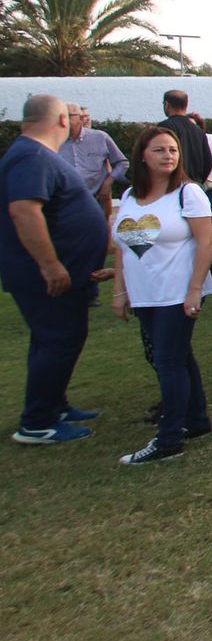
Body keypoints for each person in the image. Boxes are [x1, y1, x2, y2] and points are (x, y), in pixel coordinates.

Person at [109, 126, 212, 464]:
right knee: (177, 357)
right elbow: (122, 248)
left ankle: (169, 439)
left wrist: (195, 290)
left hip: (178, 291)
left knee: (168, 361)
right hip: (146, 294)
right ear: (142, 154)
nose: (168, 156)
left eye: (172, 150)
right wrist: (120, 290)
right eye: (159, 150)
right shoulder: (128, 197)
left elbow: (206, 241)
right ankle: (196, 420)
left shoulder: (188, 193)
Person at [4, 95, 106, 444]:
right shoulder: (32, 156)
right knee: (58, 340)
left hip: (63, 272)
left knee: (53, 340)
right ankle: (37, 422)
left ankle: (54, 405)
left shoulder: (31, 154)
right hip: (47, 275)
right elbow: (25, 211)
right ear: (64, 120)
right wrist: (50, 265)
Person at [61, 103, 128, 305]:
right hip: (65, 203)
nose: (64, 120)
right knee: (68, 245)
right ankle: (70, 287)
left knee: (93, 245)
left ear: (80, 118)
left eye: (69, 115)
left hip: (93, 201)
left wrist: (108, 182)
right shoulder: (54, 141)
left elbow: (122, 162)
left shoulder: (99, 138)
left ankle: (90, 289)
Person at [158, 90, 212, 188]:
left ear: (167, 104)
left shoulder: (164, 127)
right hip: (196, 184)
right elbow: (209, 162)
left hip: (173, 184)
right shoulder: (198, 130)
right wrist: (198, 180)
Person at [188, 112, 212, 247]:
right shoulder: (186, 142)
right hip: (195, 182)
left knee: (210, 208)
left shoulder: (209, 138)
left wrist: (201, 176)